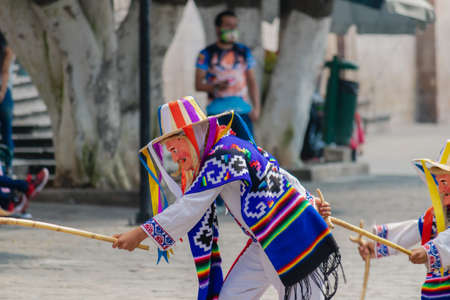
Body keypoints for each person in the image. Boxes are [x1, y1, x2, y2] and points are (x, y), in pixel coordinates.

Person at [113, 97, 343, 300]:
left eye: (175, 148)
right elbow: (283, 178)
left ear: (192, 136)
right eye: (170, 152)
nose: (175, 158)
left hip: (290, 238)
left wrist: (139, 233)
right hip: (265, 239)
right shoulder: (233, 146)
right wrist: (310, 202)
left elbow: (191, 206)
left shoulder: (223, 156)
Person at [357, 140, 450, 300]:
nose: (444, 188)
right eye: (441, 181)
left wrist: (429, 251)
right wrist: (376, 245)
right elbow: (411, 231)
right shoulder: (434, 218)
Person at [195, 10, 261, 135]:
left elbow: (252, 81)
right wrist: (215, 86)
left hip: (242, 114)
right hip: (216, 115)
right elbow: (198, 84)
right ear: (218, 28)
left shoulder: (244, 52)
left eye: (235, 26)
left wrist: (256, 109)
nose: (232, 29)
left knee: (246, 152)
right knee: (219, 152)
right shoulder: (206, 54)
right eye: (228, 25)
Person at [0, 32, 16, 161]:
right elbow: (5, 72)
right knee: (7, 133)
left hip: (3, 93)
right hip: (5, 92)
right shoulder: (9, 51)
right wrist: (2, 92)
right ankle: (8, 166)